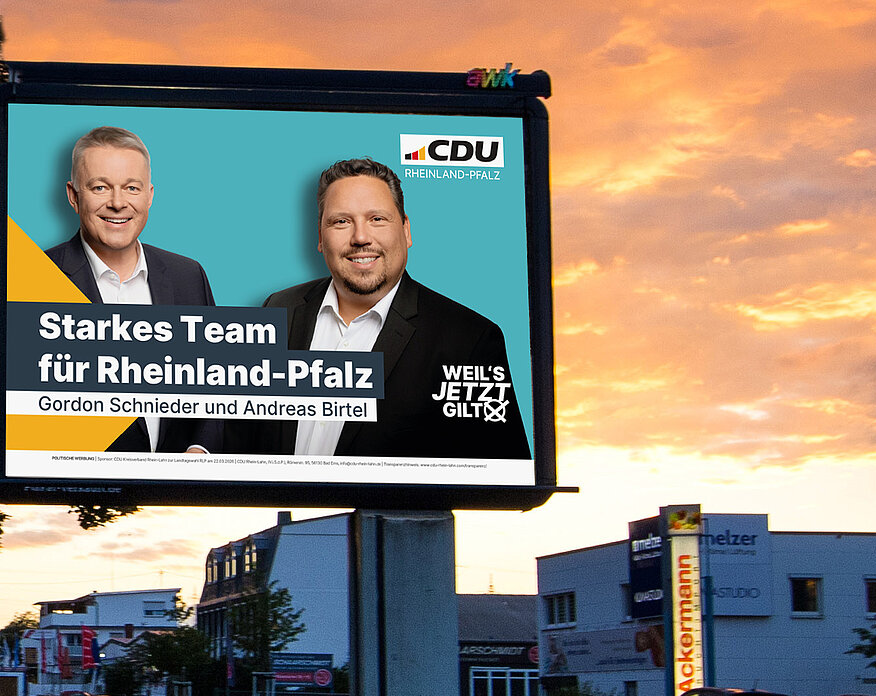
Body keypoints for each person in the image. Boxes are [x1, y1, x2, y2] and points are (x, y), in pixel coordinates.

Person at [240, 157, 530, 461]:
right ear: (320, 236)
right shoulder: (278, 310)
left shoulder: (470, 340)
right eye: (341, 221)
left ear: (406, 230)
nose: (361, 237)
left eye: (377, 219)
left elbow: (505, 476)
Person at [44, 124, 220, 454]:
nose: (117, 202)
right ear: (73, 195)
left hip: (177, 497)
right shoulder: (34, 280)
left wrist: (200, 450)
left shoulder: (188, 276)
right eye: (99, 187)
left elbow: (217, 385)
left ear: (150, 195)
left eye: (131, 188)